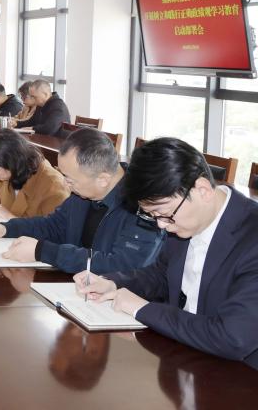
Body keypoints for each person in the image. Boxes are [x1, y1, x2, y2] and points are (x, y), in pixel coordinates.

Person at [75, 137, 258, 369]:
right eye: (153, 216)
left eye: (164, 214)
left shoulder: (251, 238)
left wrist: (143, 309)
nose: (161, 226)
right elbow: (162, 274)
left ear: (202, 190)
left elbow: (233, 337)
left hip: (240, 375)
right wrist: (113, 283)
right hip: (185, 358)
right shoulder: (183, 220)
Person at [0, 128, 164, 274]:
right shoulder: (82, 194)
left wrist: (42, 251)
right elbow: (54, 225)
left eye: (70, 179)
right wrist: (7, 228)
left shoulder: (143, 206)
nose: (65, 184)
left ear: (103, 179)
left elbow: (120, 265)